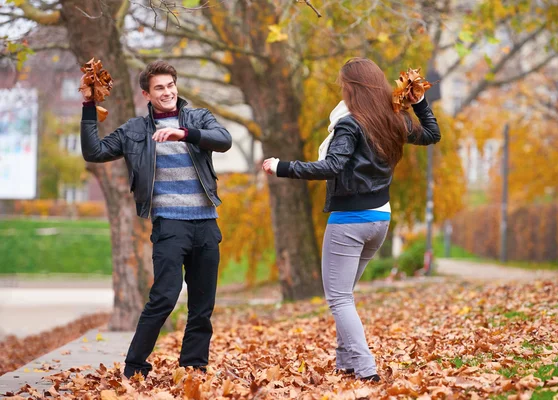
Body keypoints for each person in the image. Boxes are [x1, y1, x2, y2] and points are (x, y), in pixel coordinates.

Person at [262, 57, 440, 382]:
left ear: (352, 88)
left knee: (339, 297)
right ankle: (344, 364)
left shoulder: (350, 123)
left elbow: (331, 166)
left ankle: (365, 369)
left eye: (343, 85)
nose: (341, 90)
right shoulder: (392, 119)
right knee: (345, 293)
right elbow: (431, 134)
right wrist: (421, 103)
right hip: (380, 219)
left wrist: (280, 167)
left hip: (350, 220)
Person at [79, 60, 232, 378]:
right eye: (159, 88)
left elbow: (223, 140)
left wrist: (184, 134)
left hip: (205, 222)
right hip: (169, 224)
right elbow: (94, 152)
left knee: (202, 305)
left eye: (171, 85)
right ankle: (135, 367)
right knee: (163, 296)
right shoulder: (135, 130)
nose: (168, 92)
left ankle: (194, 367)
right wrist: (89, 106)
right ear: (147, 94)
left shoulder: (198, 117)